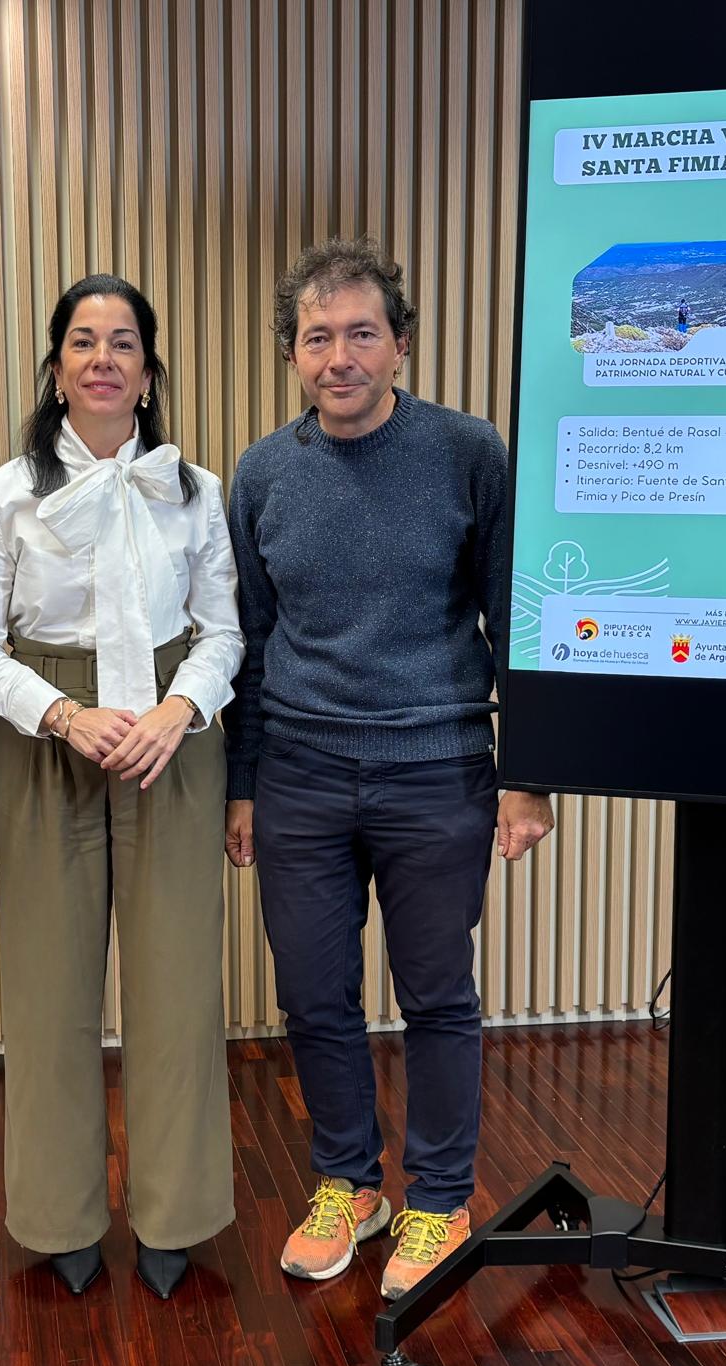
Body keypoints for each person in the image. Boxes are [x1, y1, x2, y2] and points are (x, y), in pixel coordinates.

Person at [222, 237, 556, 1301]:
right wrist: (243, 782)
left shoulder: (467, 452)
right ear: (292, 356)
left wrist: (529, 770)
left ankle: (440, 1201)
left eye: (362, 333)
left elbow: (515, 611)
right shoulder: (263, 473)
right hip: (301, 778)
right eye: (317, 337)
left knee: (436, 999)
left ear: (399, 346)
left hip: (438, 769)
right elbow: (249, 635)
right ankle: (348, 1186)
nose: (340, 356)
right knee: (314, 998)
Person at [0, 275, 242, 1301]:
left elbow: (226, 630)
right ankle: (60, 1221)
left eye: (123, 342)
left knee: (176, 995)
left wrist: (179, 708)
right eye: (83, 340)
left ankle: (175, 1220)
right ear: (57, 365)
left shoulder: (195, 490)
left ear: (149, 371)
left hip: (173, 743)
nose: (104, 358)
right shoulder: (3, 495)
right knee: (45, 996)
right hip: (47, 743)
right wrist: (63, 715)